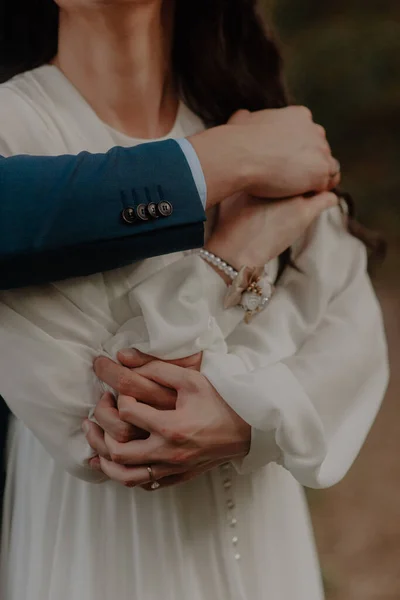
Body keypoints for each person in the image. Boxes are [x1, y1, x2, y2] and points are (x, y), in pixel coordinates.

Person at [0, 2, 388, 600]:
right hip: (96, 539)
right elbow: (103, 422)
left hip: (264, 535)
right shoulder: (11, 132)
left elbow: (349, 337)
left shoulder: (253, 121)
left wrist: (247, 417)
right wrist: (229, 259)